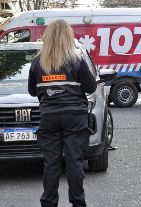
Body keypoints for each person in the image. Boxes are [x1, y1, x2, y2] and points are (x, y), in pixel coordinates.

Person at [28, 19, 97, 207]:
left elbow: (32, 92)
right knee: (74, 162)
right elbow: (91, 88)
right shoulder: (77, 61)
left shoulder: (37, 63)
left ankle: (49, 203)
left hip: (49, 117)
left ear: (47, 37)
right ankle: (78, 203)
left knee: (51, 163)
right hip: (75, 116)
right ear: (68, 36)